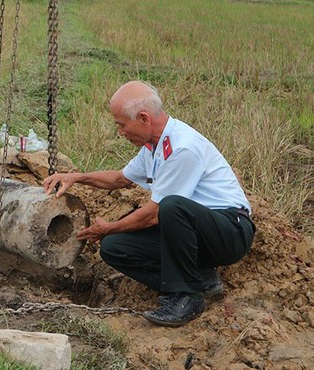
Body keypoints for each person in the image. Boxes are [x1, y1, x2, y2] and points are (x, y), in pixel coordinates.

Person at [43, 81, 255, 327]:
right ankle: (200, 279)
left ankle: (186, 297)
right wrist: (75, 177)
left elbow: (153, 215)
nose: (120, 132)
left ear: (144, 119)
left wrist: (108, 227)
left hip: (229, 231)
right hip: (195, 232)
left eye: (122, 125)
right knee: (114, 247)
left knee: (172, 207)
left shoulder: (182, 147)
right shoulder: (153, 146)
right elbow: (121, 179)